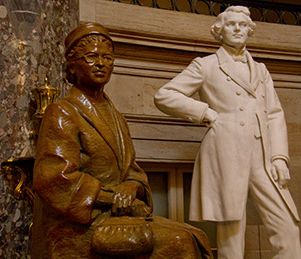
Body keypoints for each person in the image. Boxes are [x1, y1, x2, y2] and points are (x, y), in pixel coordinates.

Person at [32, 22, 212, 258]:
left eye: (107, 58)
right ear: (72, 66)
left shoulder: (116, 115)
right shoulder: (63, 111)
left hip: (116, 217)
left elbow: (132, 171)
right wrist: (112, 197)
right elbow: (54, 179)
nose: (100, 64)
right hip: (81, 225)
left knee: (196, 235)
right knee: (179, 241)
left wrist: (132, 186)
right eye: (91, 57)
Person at [154, 6, 301, 259]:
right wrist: (206, 113)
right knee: (231, 232)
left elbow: (275, 113)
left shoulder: (261, 69)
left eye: (243, 25)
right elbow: (164, 95)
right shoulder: (206, 65)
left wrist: (279, 157)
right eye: (232, 24)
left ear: (249, 31)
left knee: (287, 225)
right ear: (219, 31)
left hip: (263, 156)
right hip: (226, 152)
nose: (237, 29)